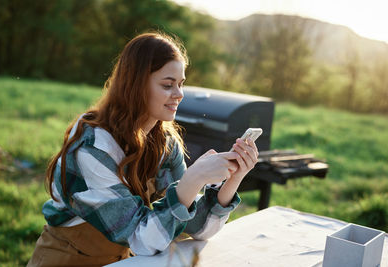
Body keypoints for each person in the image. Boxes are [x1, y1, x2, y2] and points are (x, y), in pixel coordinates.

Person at [28, 32, 259, 266]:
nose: (179, 94)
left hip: (124, 261)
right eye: (168, 85)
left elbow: (194, 227)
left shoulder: (164, 140)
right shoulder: (93, 148)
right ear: (136, 85)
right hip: (67, 260)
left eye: (181, 84)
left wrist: (233, 177)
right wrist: (194, 178)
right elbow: (140, 237)